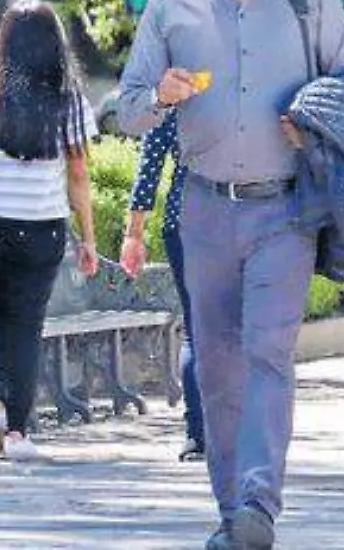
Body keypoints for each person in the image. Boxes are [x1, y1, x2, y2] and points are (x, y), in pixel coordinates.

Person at [117, 0, 344, 550]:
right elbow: (127, 109)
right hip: (203, 209)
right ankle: (233, 514)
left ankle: (259, 503)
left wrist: (315, 122)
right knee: (218, 364)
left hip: (285, 210)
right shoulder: (170, 8)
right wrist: (160, 95)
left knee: (268, 353)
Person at [0, 0, 100, 462]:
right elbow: (78, 175)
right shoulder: (69, 101)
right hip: (43, 226)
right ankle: (17, 431)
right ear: (55, 45)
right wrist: (88, 238)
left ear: (4, 42)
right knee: (27, 325)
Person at [119, 112, 205, 461]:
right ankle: (232, 431)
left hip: (183, 219)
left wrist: (134, 231)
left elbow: (151, 158)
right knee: (230, 330)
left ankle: (198, 435)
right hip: (238, 220)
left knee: (197, 331)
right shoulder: (245, 79)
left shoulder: (178, 84)